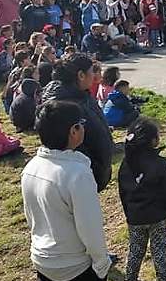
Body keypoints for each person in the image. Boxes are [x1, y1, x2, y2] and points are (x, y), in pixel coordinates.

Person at [21, 101, 111, 281]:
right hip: (75, 266)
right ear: (73, 131)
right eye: (81, 124)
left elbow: (31, 217)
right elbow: (90, 227)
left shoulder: (31, 167)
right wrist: (101, 263)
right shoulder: (77, 174)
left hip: (43, 260)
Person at [118, 117, 166, 281]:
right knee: (159, 250)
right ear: (153, 141)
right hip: (158, 217)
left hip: (135, 217)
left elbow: (122, 192)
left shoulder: (125, 165)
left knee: (135, 251)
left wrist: (128, 214)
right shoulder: (161, 164)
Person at [43, 54, 114, 192]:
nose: (94, 75)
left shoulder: (82, 95)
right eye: (92, 71)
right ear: (81, 75)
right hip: (82, 175)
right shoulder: (65, 106)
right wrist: (93, 166)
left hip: (93, 171)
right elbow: (69, 145)